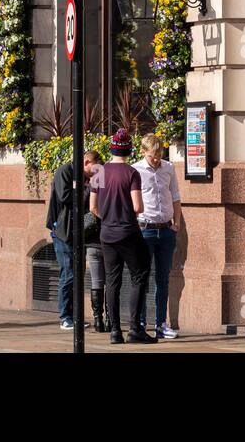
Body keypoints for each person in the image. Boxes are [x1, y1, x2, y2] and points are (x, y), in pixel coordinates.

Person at [88, 128, 154, 345]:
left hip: (107, 233)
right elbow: (138, 206)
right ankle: (135, 328)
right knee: (139, 275)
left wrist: (107, 217)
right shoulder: (132, 173)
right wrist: (126, 214)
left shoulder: (99, 171)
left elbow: (92, 207)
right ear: (129, 150)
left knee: (112, 281)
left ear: (112, 148)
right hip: (128, 232)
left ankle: (115, 331)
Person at [45, 150, 104, 330]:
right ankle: (65, 317)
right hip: (63, 231)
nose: (95, 174)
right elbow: (66, 197)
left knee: (76, 274)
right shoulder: (65, 171)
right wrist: (89, 188)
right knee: (68, 272)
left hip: (78, 231)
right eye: (94, 169)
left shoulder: (87, 177)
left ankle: (74, 315)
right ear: (86, 162)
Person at [132, 134, 182, 339]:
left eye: (159, 154)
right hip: (145, 229)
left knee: (163, 278)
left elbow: (176, 196)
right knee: (142, 278)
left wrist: (176, 223)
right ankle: (141, 323)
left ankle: (161, 323)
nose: (156, 159)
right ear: (144, 152)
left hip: (166, 229)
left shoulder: (169, 168)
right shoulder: (135, 170)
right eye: (153, 155)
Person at [81, 151, 107, 333]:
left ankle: (98, 320)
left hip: (92, 240)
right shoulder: (102, 185)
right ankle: (108, 319)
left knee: (97, 281)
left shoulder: (90, 186)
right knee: (111, 281)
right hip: (105, 239)